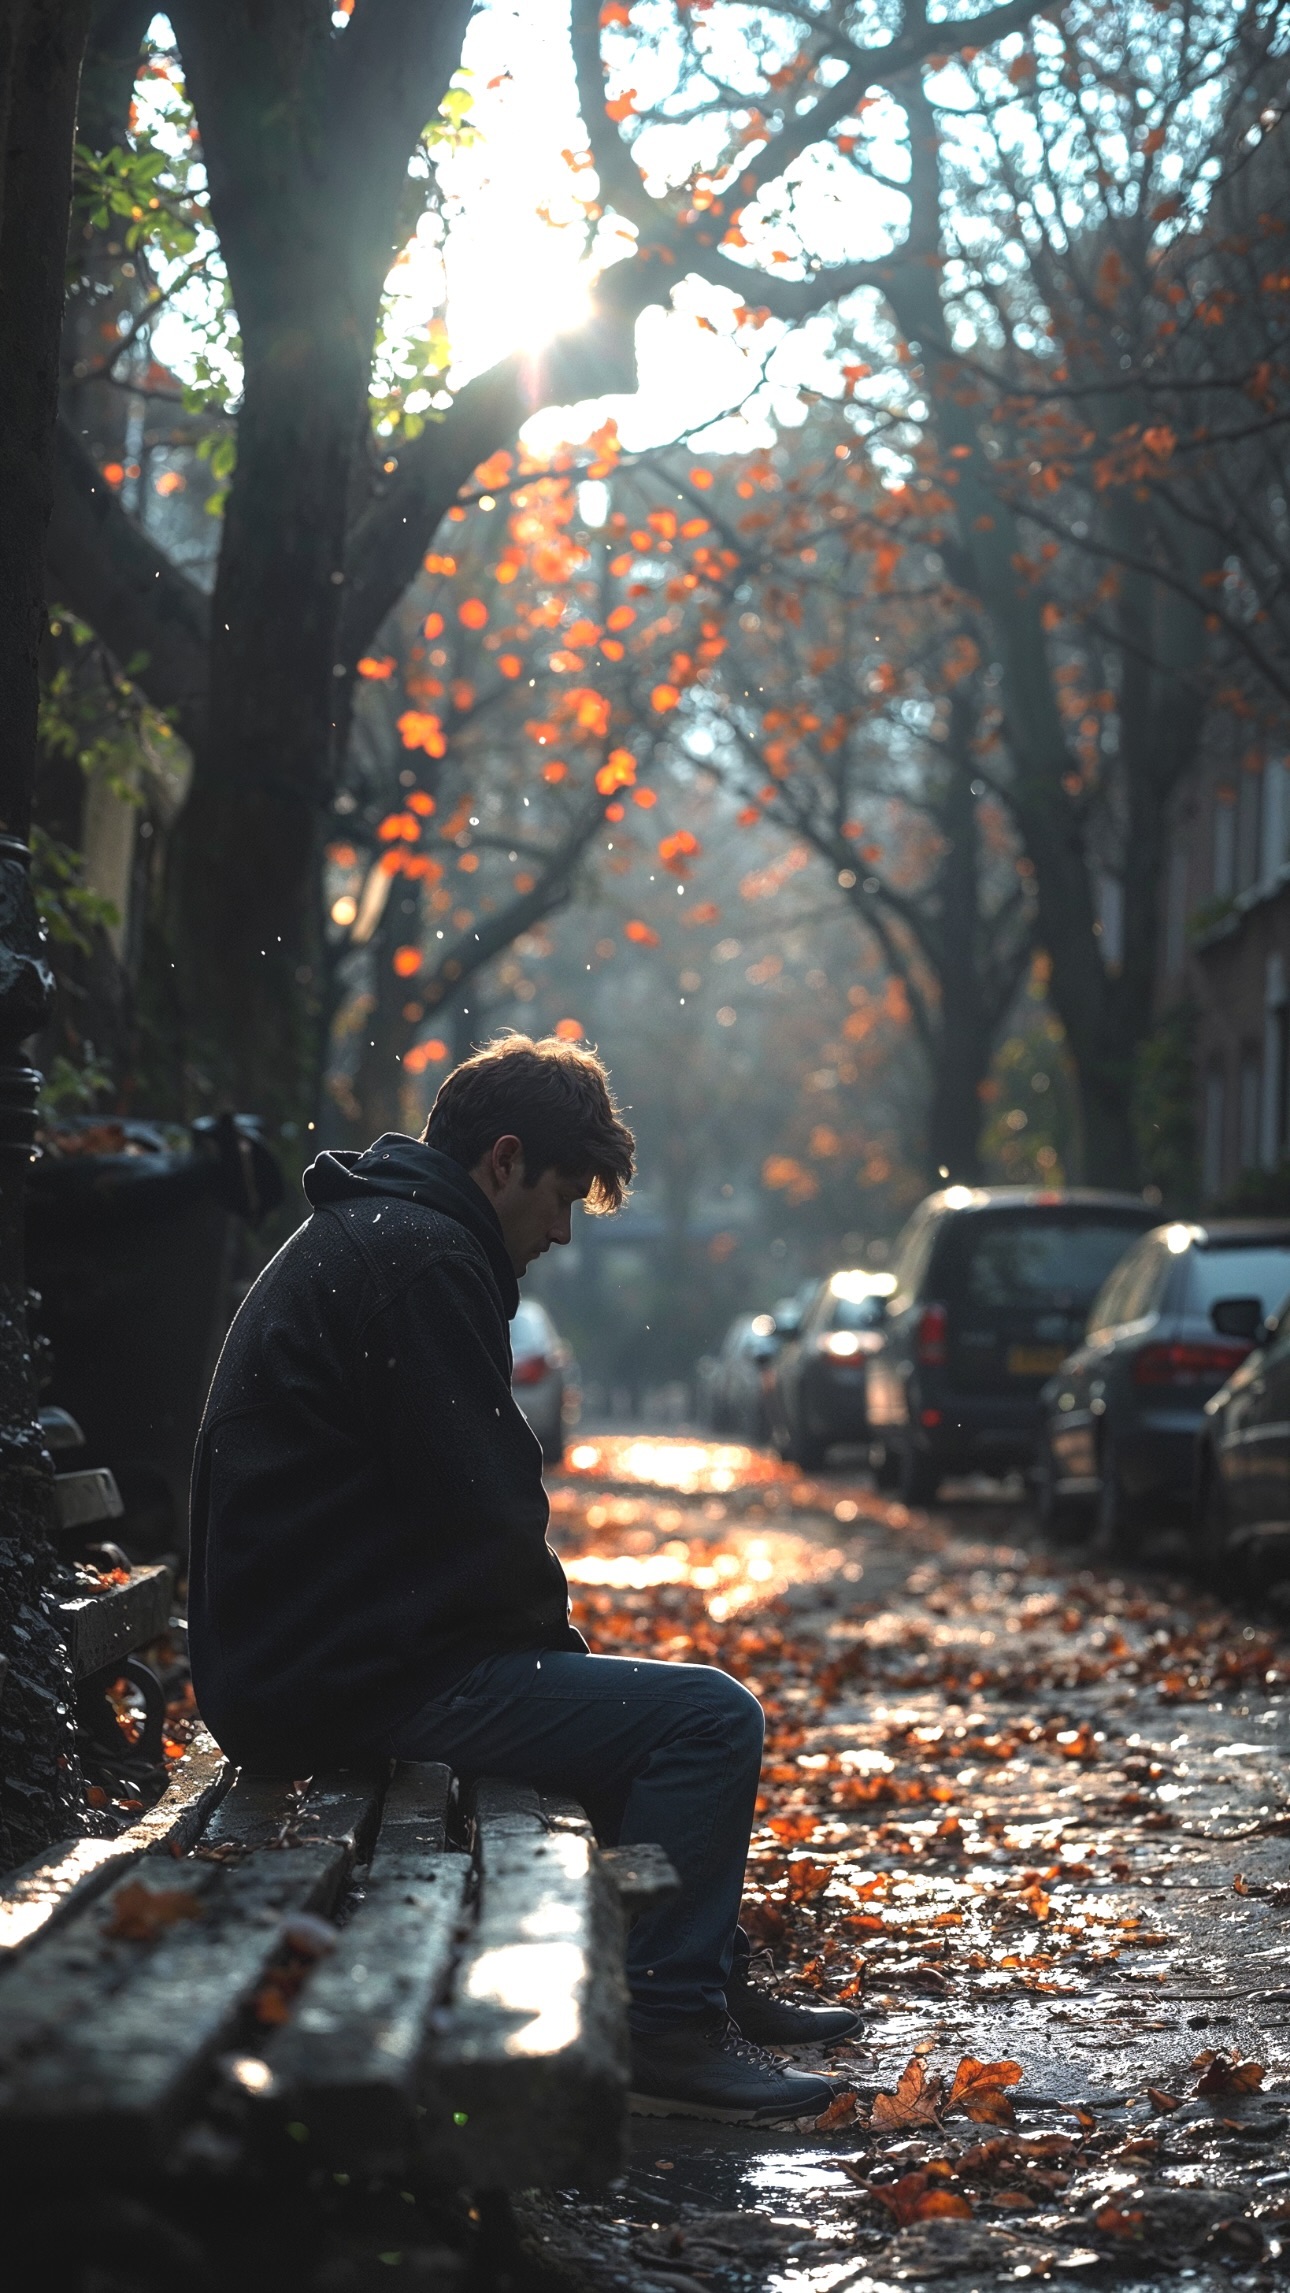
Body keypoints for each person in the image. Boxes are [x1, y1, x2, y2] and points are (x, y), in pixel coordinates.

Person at [189, 1033, 859, 2122]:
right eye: (559, 1199)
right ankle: (671, 2024)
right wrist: (559, 1663)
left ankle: (705, 1980)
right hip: (340, 1677)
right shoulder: (423, 1258)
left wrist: (555, 1666)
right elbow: (487, 1508)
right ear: (502, 1161)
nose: (558, 1232)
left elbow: (461, 1514)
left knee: (617, 1710)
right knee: (706, 1720)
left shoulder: (385, 1234)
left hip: (313, 1656)